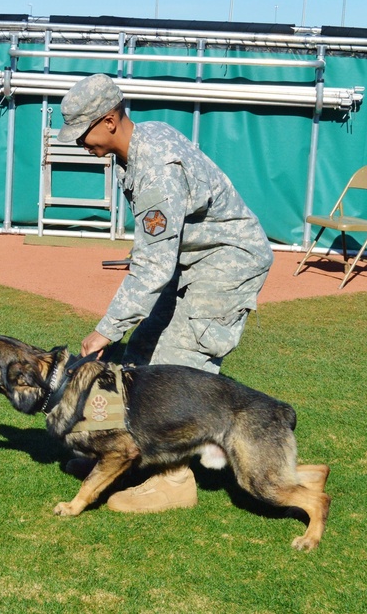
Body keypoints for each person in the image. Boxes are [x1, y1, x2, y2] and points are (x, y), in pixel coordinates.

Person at [57, 74, 274, 512]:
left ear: (110, 120)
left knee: (177, 363)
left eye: (83, 132)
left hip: (227, 263)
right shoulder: (141, 144)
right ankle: (119, 453)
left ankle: (175, 482)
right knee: (140, 355)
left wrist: (106, 330)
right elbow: (162, 245)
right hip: (191, 260)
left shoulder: (154, 165)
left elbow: (155, 264)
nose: (80, 142)